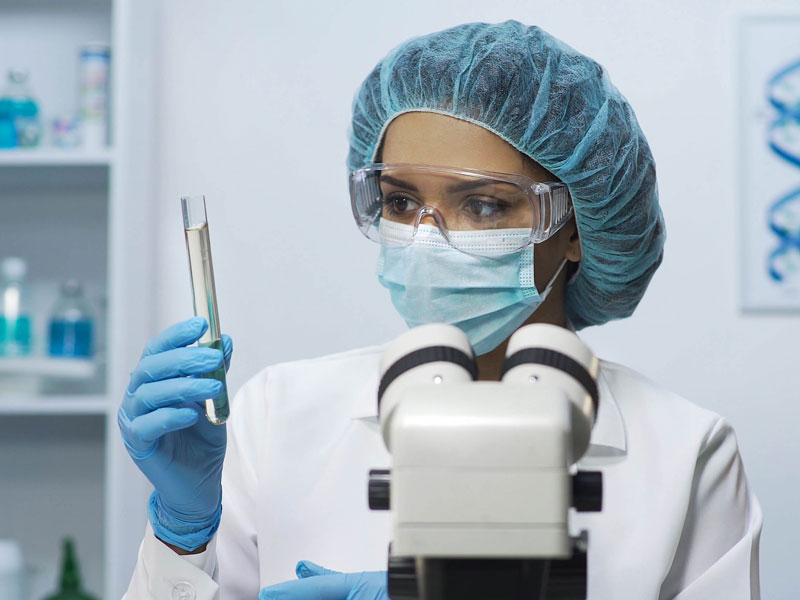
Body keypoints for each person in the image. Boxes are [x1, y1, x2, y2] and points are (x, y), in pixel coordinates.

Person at [121, 21, 762, 600]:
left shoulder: (685, 454)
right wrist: (184, 536)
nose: (427, 236)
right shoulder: (276, 417)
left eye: (483, 205)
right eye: (400, 202)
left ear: (575, 227)